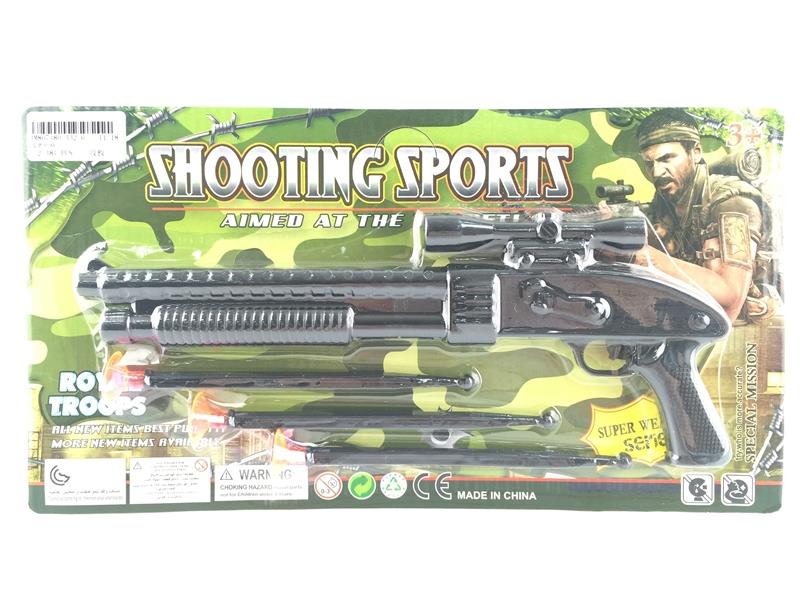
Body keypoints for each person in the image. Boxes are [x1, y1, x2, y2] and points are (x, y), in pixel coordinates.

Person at [634, 108, 767, 321]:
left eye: (666, 158)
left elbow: (729, 299)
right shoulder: (664, 205)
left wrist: (638, 255)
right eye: (649, 163)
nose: (656, 172)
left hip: (751, 322)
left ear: (695, 152)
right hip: (693, 319)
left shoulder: (733, 203)